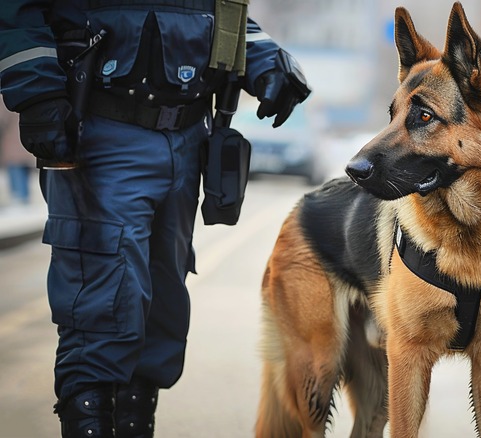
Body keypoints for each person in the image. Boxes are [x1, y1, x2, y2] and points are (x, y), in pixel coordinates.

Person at [0, 1, 310, 437]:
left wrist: (265, 60)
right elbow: (17, 11)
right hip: (103, 132)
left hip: (186, 138)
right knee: (102, 307)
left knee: (159, 313)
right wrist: (38, 95)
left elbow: (221, 11)